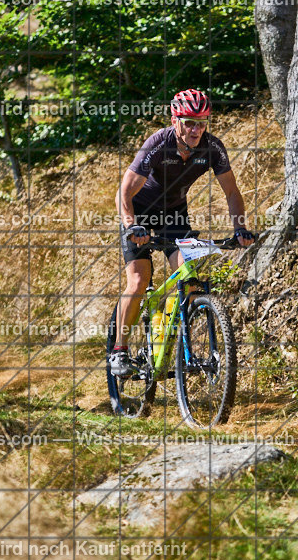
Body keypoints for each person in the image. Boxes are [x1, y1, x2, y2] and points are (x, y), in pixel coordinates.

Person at [109, 88, 255, 377]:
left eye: (201, 123)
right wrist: (131, 225)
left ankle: (167, 335)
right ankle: (119, 350)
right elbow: (125, 190)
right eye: (189, 123)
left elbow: (231, 191)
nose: (195, 130)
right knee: (138, 280)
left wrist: (239, 227)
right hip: (139, 212)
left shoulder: (212, 148)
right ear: (175, 121)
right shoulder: (158, 143)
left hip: (173, 215)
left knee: (189, 276)